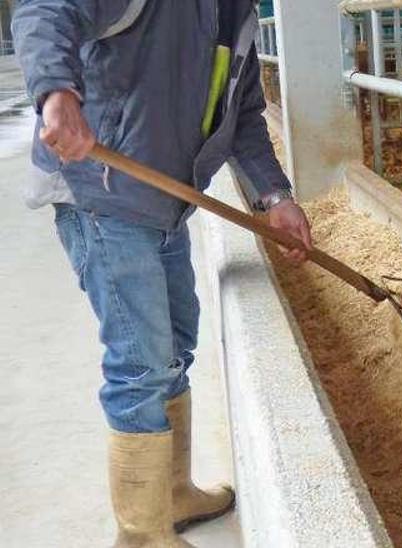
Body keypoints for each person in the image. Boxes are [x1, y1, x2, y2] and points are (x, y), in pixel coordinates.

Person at [12, 1, 312, 546]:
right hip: (102, 194)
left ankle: (172, 496)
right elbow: (45, 11)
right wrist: (57, 91)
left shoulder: (236, 14)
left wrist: (276, 195)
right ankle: (143, 536)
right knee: (140, 367)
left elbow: (242, 117)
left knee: (173, 348)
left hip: (168, 202)